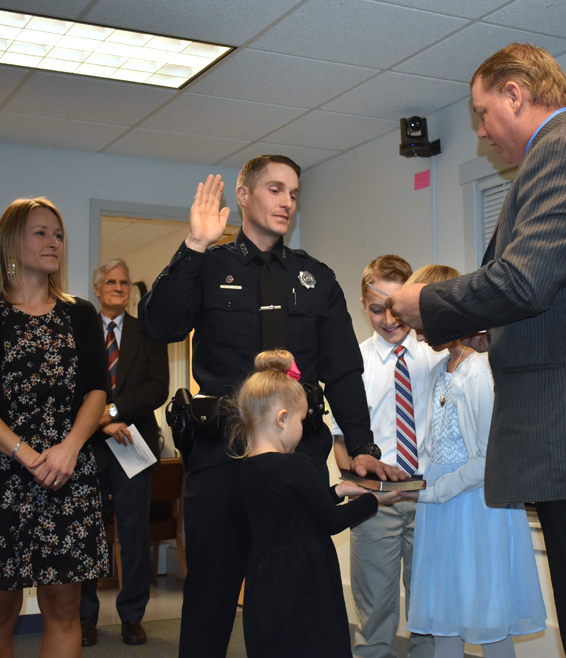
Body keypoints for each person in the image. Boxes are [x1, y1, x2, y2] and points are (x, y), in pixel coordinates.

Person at [386, 44, 566, 658]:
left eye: (483, 112)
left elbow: (525, 279)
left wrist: (427, 303)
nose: (483, 133)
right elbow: (558, 295)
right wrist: (488, 332)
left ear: (516, 93)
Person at [139, 155, 403, 658]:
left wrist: (363, 444)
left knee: (297, 589)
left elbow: (345, 371)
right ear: (243, 194)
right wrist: (194, 245)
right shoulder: (208, 265)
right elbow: (159, 325)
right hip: (224, 457)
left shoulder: (315, 278)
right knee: (212, 594)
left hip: (297, 459)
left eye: (294, 193)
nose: (287, 202)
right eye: (275, 189)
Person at [0, 197, 109, 657]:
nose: (54, 241)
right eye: (41, 232)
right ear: (12, 242)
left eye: (57, 234)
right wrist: (24, 452)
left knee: (63, 609)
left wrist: (69, 448)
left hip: (66, 475)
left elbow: (98, 391)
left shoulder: (79, 314)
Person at [400, 265, 545, 658]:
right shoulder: (437, 371)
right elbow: (433, 446)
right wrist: (411, 483)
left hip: (476, 509)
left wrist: (431, 492)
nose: (414, 329)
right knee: (445, 613)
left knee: (487, 611)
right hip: (441, 509)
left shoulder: (478, 372)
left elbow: (486, 458)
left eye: (421, 317)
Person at [231, 350, 399, 657]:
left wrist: (337, 490)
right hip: (304, 576)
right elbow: (330, 522)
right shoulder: (298, 465)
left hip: (264, 577)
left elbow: (288, 508)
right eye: (301, 418)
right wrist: (373, 500)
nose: (303, 427)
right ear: (282, 419)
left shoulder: (244, 469)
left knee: (276, 646)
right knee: (313, 644)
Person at [332, 255, 444, 658]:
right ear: (364, 306)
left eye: (397, 307)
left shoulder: (437, 355)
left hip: (431, 500)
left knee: (429, 613)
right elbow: (341, 442)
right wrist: (366, 490)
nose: (389, 319)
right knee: (376, 612)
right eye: (377, 309)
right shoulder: (352, 364)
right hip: (376, 504)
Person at [79, 259, 170, 647]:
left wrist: (111, 412)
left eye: (124, 283)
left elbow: (157, 389)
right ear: (97, 288)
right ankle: (84, 620)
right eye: (111, 282)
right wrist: (100, 422)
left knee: (134, 535)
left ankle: (132, 617)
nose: (118, 288)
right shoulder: (79, 331)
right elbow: (70, 385)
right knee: (87, 536)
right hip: (87, 447)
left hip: (134, 443)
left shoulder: (146, 331)